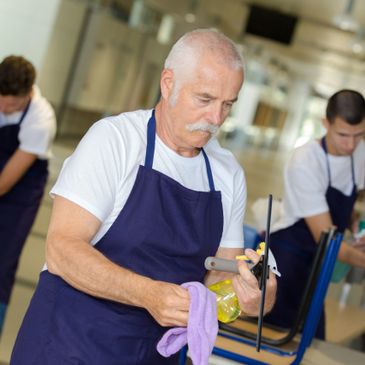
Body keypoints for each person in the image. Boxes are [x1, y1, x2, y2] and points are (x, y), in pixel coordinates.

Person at [10, 29, 277, 364]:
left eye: (227, 105)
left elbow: (220, 275)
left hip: (153, 353)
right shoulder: (115, 141)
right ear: (168, 83)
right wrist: (148, 294)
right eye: (205, 100)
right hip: (70, 342)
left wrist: (251, 297)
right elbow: (62, 249)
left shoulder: (227, 174)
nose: (215, 119)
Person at [265, 89, 365, 339]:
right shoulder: (305, 161)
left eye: (359, 135)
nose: (350, 144)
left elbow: (351, 196)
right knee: (274, 339)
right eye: (343, 135)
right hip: (286, 261)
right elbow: (330, 241)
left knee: (311, 338)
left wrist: (355, 224)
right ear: (325, 124)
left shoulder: (359, 152)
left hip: (318, 264)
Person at [0, 56, 56, 335]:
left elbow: (5, 182)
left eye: (12, 104)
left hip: (19, 191)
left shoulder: (40, 118)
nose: (4, 108)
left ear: (29, 92)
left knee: (3, 261)